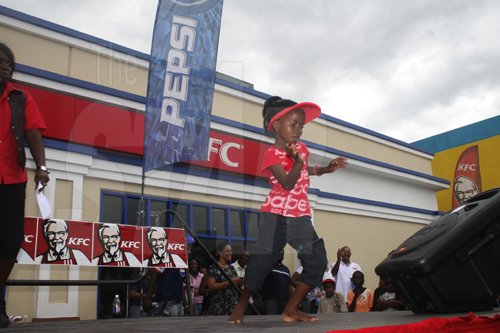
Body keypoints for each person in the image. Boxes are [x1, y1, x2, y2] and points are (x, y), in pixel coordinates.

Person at [229, 96, 347, 324]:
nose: (298, 130)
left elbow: (305, 172)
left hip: (299, 215)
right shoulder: (271, 154)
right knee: (262, 261)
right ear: (275, 126)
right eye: (293, 124)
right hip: (275, 215)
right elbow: (287, 182)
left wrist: (325, 169)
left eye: (301, 126)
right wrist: (298, 163)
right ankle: (242, 304)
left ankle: (291, 308)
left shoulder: (301, 148)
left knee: (317, 260)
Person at [0, 43, 50, 329]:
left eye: (9, 63)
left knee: (10, 242)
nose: (5, 67)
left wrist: (41, 167)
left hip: (12, 179)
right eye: (0, 62)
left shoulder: (20, 97)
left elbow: (33, 133)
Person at [206, 243, 243, 315]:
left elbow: (236, 283)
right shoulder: (214, 267)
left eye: (231, 251)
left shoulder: (231, 268)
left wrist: (240, 281)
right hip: (219, 307)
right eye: (227, 251)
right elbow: (211, 286)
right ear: (220, 253)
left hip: (232, 307)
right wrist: (231, 281)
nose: (230, 253)